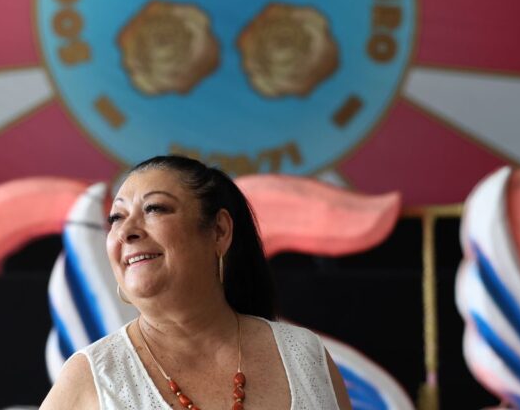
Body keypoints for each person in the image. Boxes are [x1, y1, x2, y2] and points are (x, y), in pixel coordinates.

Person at [41, 155, 353, 409]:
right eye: (116, 218)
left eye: (154, 208)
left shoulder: (304, 355)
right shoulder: (91, 377)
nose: (126, 231)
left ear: (219, 231)